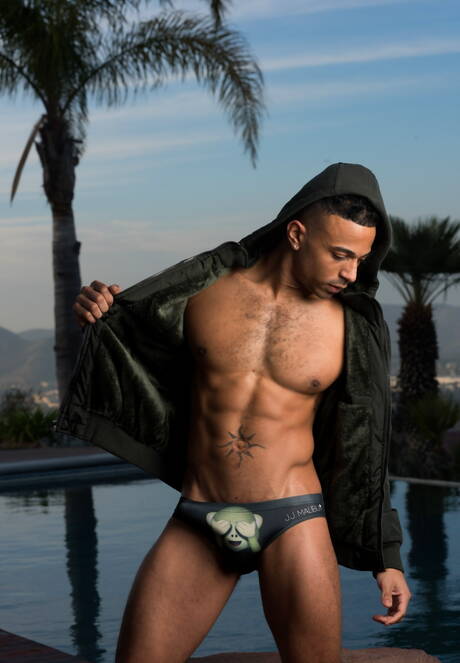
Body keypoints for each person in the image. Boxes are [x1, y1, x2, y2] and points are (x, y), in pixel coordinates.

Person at [58, 162, 412, 663]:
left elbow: (366, 444)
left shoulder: (351, 326)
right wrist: (96, 307)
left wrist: (386, 558)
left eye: (360, 258)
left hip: (294, 515)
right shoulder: (204, 290)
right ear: (296, 234)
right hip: (201, 512)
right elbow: (131, 339)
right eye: (339, 255)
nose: (351, 273)